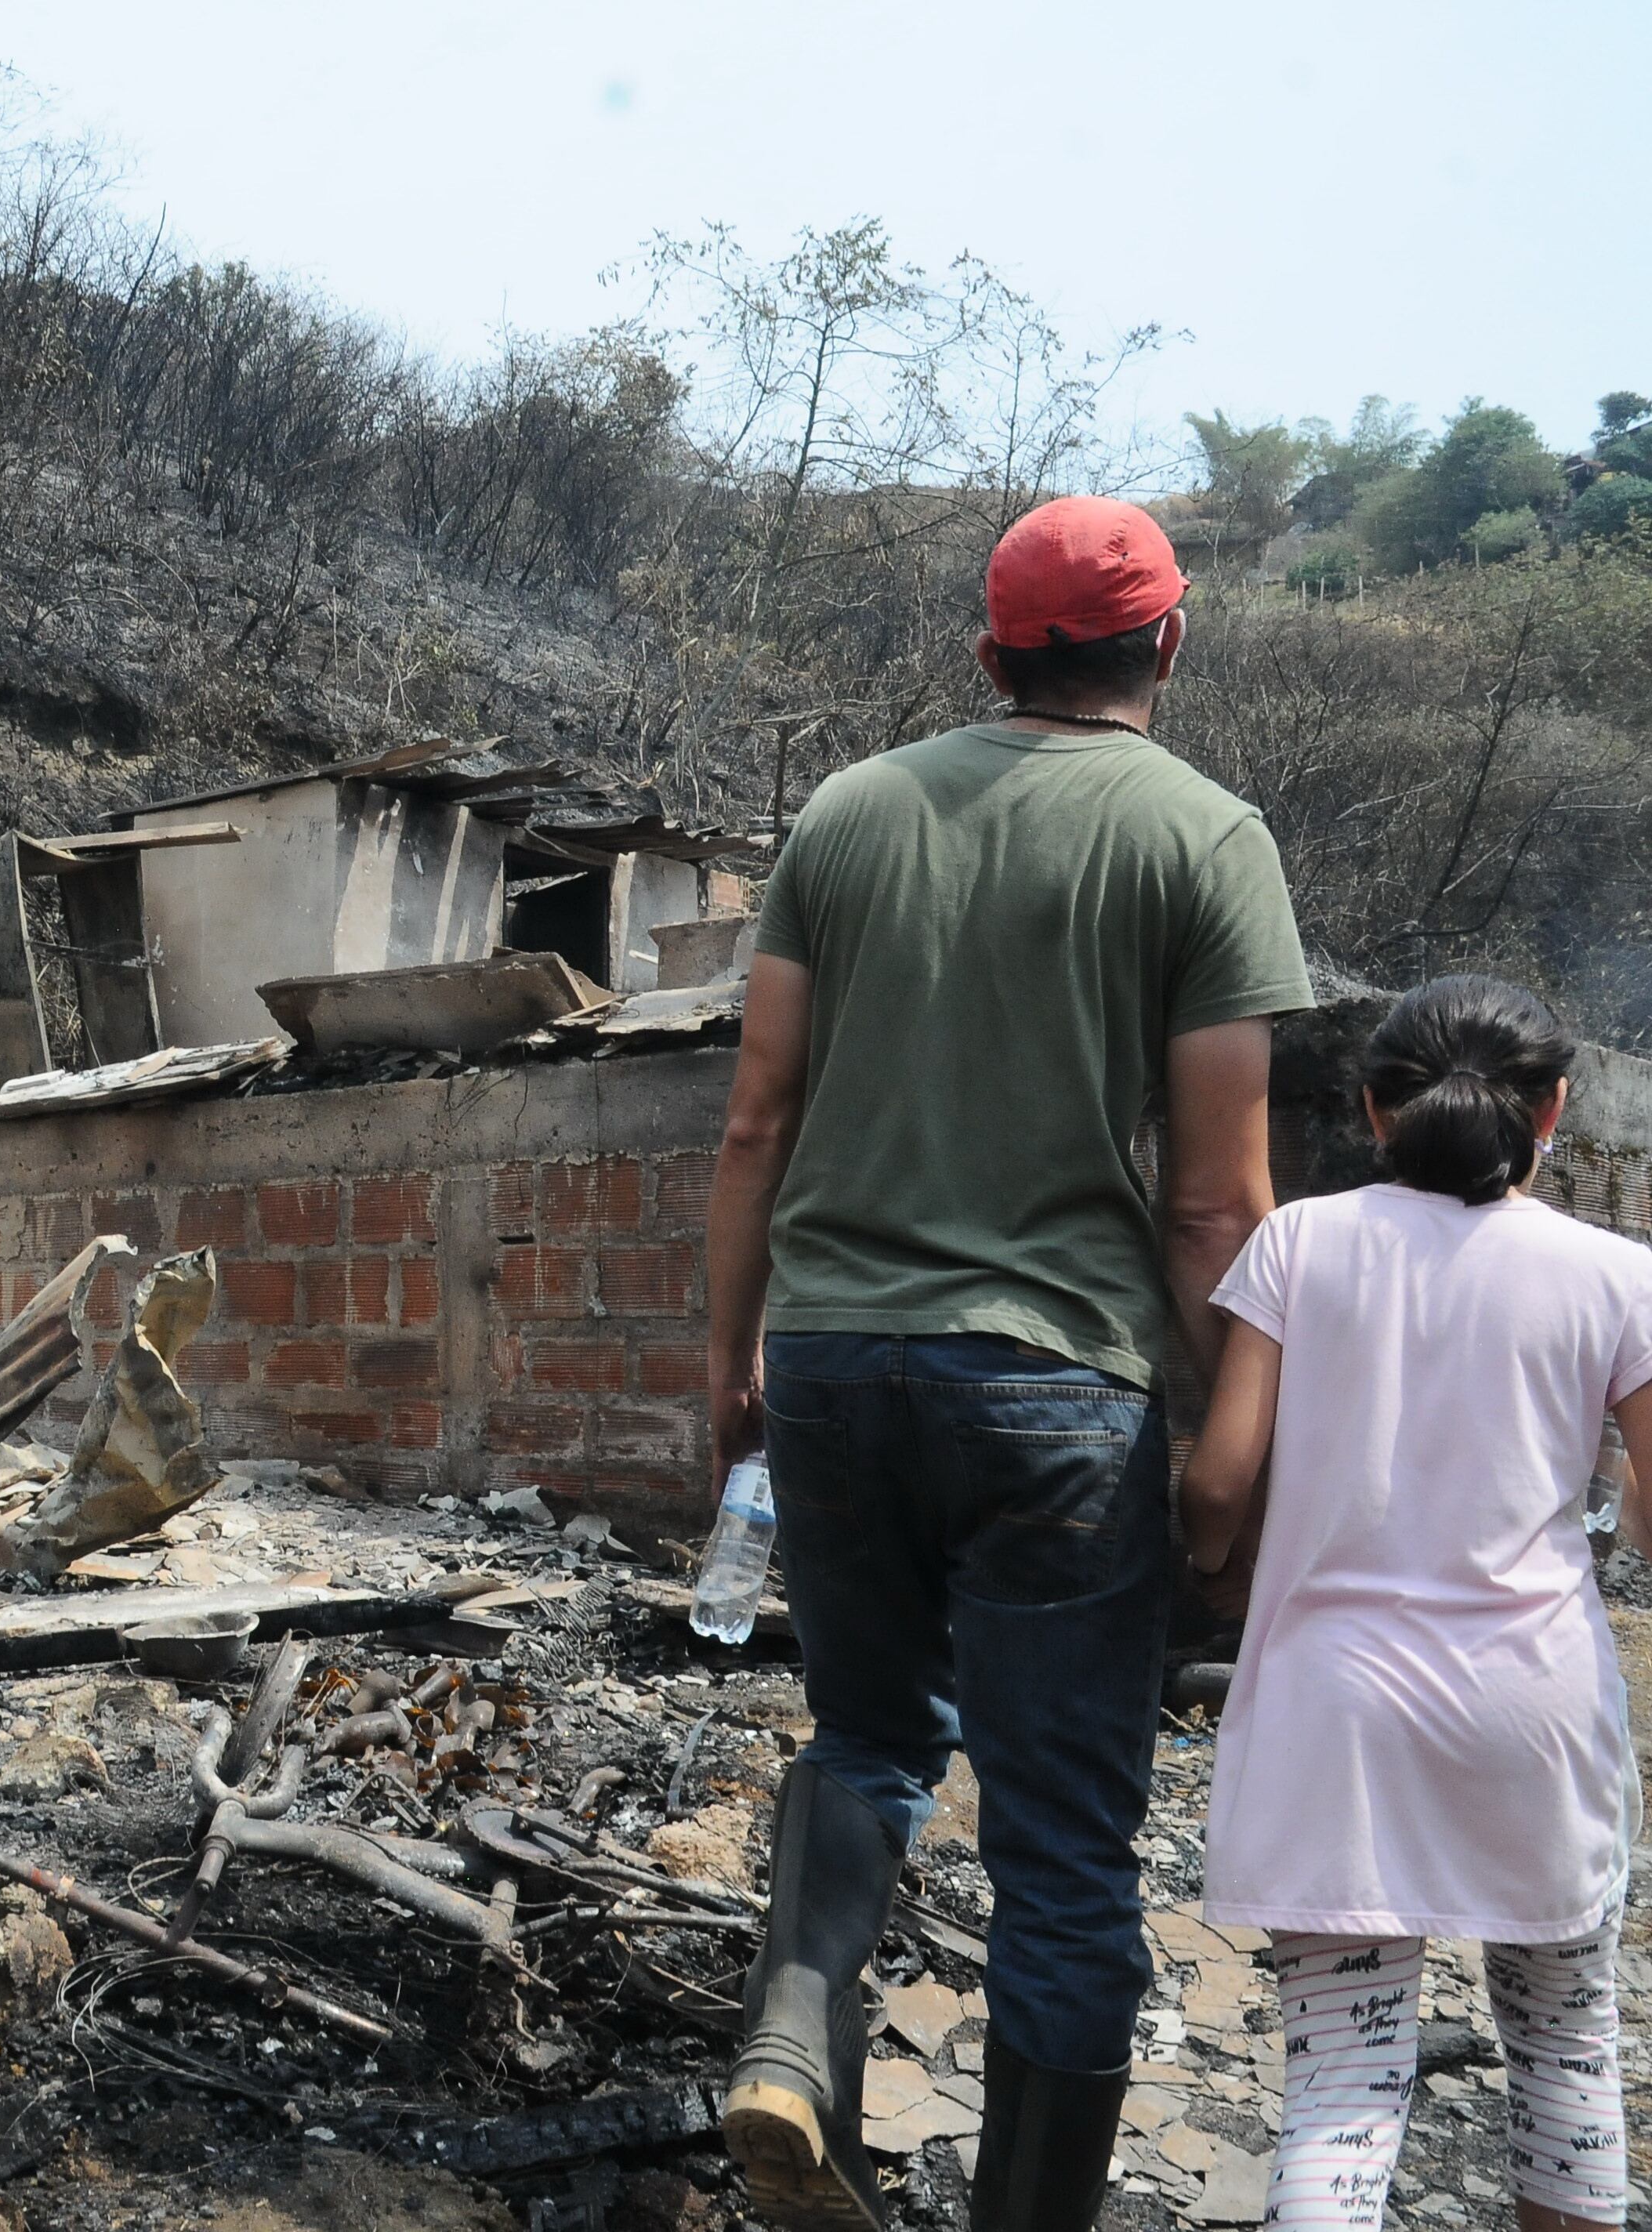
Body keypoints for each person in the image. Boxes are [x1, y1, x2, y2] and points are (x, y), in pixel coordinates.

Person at [703, 494, 1315, 2232]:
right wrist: (1244, 1430)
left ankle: (788, 2041)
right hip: (1057, 1384)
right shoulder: (1203, 836)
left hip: (828, 1356)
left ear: (984, 651)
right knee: (1059, 1837)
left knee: (868, 1730)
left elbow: (754, 1120)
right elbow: (1214, 1203)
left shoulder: (845, 812)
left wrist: (727, 1354)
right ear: (1166, 645)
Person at [1183, 976, 1643, 2232]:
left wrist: (1217, 1564)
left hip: (1335, 1719)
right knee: (1567, 2060)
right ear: (1554, 1108)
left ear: (1375, 1112)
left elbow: (1220, 1479)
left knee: (1343, 2086)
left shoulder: (1301, 1242)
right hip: (1533, 1714)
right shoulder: (1616, 1273)